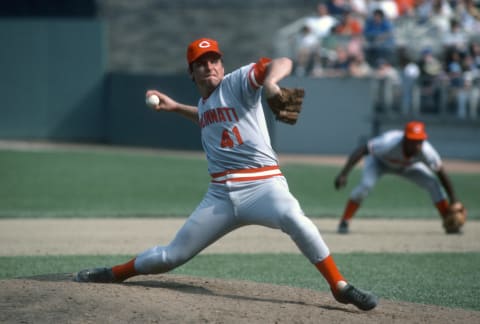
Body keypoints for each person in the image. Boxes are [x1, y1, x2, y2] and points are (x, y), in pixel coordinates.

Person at [74, 37, 378, 311]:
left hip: (264, 185)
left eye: (214, 60)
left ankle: (339, 286)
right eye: (201, 64)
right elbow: (209, 118)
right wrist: (176, 107)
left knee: (295, 219)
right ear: (191, 73)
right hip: (219, 195)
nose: (209, 67)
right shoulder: (207, 103)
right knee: (171, 257)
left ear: (222, 64)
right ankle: (113, 274)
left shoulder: (237, 83)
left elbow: (281, 62)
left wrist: (271, 84)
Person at [334, 121, 463, 234]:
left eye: (420, 140)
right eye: (413, 141)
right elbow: (362, 150)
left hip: (407, 166)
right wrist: (344, 174)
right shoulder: (388, 142)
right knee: (366, 185)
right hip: (379, 162)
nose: (417, 144)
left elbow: (441, 173)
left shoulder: (427, 152)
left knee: (432, 183)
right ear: (405, 139)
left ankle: (448, 219)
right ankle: (345, 220)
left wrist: (454, 200)